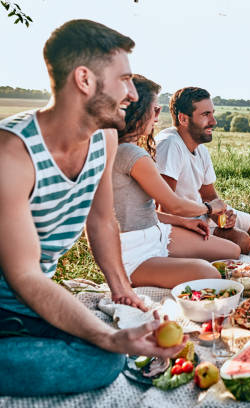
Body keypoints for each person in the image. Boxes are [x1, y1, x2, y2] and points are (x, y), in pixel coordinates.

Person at [0, 20, 186, 397]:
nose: (133, 94)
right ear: (84, 80)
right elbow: (23, 275)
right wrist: (110, 339)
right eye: (125, 79)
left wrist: (122, 289)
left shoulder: (103, 139)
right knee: (104, 354)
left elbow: (101, 220)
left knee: (105, 349)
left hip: (25, 305)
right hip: (13, 302)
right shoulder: (11, 155)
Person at [113, 75, 241, 288]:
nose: (157, 116)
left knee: (233, 251)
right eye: (154, 110)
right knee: (209, 273)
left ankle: (172, 266)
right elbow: (173, 204)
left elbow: (142, 210)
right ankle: (166, 269)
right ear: (137, 110)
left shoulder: (127, 149)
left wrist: (185, 222)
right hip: (134, 251)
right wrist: (209, 208)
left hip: (156, 234)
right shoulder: (132, 155)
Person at [155, 87, 250, 254]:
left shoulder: (199, 147)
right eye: (205, 115)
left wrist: (223, 219)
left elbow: (209, 196)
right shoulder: (170, 145)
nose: (213, 121)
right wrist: (210, 212)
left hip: (203, 212)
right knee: (244, 242)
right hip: (183, 224)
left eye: (212, 113)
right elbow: (165, 208)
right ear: (183, 118)